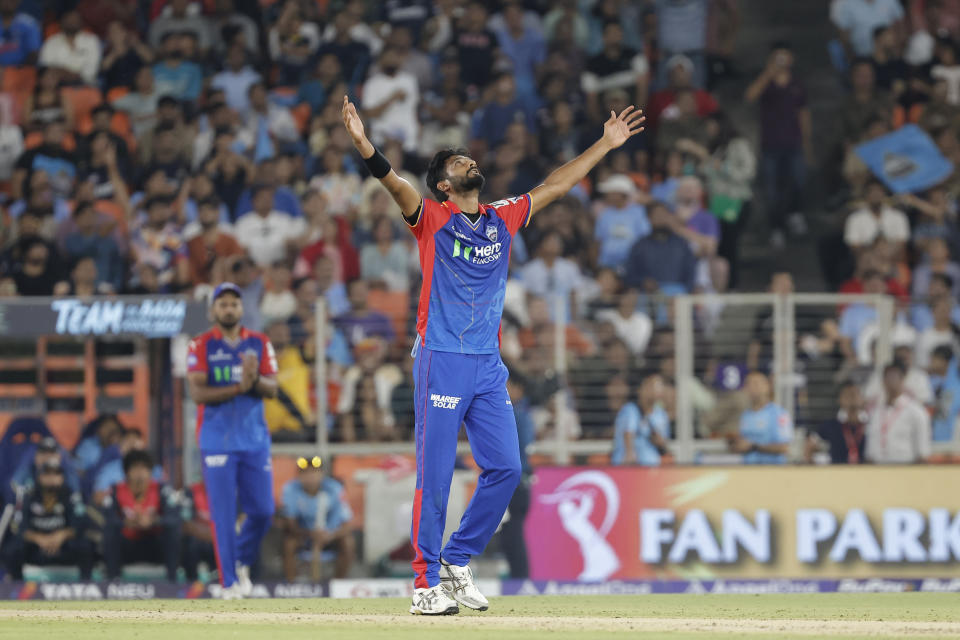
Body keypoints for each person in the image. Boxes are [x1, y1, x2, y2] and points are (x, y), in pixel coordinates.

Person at [342, 93, 644, 614]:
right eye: (460, 163)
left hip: (486, 365)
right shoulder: (430, 217)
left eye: (470, 159)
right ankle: (423, 586)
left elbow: (556, 185)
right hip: (441, 356)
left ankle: (457, 560)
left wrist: (605, 143)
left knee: (506, 468)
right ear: (444, 183)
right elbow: (395, 185)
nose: (471, 164)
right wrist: (367, 147)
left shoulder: (502, 217)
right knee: (435, 476)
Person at [186, 282, 279, 598]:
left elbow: (273, 389)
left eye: (234, 304)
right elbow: (198, 393)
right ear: (213, 310)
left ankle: (239, 561)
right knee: (222, 514)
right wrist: (240, 386)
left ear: (242, 309)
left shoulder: (259, 343)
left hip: (254, 439)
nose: (229, 309)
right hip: (216, 440)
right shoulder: (200, 345)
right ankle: (228, 584)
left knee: (263, 510)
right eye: (222, 304)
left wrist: (253, 382)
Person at [745, 41, 811, 248]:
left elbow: (804, 114)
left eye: (785, 56)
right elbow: (750, 96)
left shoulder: (797, 84)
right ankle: (776, 228)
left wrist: (807, 142)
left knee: (798, 181)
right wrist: (768, 73)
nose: (782, 61)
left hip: (794, 143)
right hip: (770, 146)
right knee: (772, 191)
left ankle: (794, 213)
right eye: (777, 57)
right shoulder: (766, 82)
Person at [2, 459, 94, 580]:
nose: (52, 478)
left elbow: (80, 524)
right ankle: (16, 586)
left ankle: (86, 586)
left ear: (62, 477)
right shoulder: (29, 496)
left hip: (63, 547)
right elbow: (19, 527)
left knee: (85, 545)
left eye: (56, 474)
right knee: (12, 548)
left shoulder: (72, 496)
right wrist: (39, 538)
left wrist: (62, 535)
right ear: (40, 477)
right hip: (36, 549)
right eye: (47, 473)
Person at [101, 450, 181, 581]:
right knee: (110, 533)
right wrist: (126, 523)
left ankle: (173, 581)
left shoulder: (162, 490)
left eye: (144, 468)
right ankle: (112, 581)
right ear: (127, 472)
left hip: (153, 545)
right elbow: (107, 518)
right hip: (128, 545)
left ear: (150, 472)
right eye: (135, 468)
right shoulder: (115, 490)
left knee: (173, 532)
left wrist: (153, 521)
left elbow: (174, 518)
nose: (140, 473)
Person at [278, 455, 355, 580]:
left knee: (348, 542)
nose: (310, 477)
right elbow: (290, 523)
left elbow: (347, 523)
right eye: (305, 473)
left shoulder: (334, 489)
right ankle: (291, 585)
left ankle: (339, 583)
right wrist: (309, 534)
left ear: (321, 474)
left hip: (330, 536)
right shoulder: (290, 489)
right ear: (299, 476)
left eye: (314, 472)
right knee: (289, 543)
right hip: (303, 535)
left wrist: (330, 535)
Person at [865, 362, 932, 463]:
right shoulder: (875, 411)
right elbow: (871, 444)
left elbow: (922, 450)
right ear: (882, 381)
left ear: (902, 380)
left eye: (894, 377)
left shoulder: (915, 411)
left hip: (905, 467)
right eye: (887, 377)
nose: (890, 381)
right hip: (878, 468)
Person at [729, 371, 793, 464]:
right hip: (748, 471)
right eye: (748, 384)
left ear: (767, 386)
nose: (752, 388)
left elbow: (784, 447)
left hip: (772, 471)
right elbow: (743, 443)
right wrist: (735, 445)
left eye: (756, 383)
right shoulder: (745, 415)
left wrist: (753, 446)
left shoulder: (778, 414)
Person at [611, 372, 671, 465]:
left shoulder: (661, 414)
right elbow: (628, 433)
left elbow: (663, 442)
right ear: (641, 389)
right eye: (651, 386)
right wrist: (630, 454)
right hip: (628, 466)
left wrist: (657, 438)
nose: (655, 390)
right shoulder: (630, 410)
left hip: (652, 467)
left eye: (659, 386)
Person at [805, 381, 868, 464]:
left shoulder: (871, 424)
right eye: (847, 395)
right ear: (839, 399)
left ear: (862, 398)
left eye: (855, 394)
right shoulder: (830, 425)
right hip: (837, 473)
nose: (852, 398)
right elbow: (809, 447)